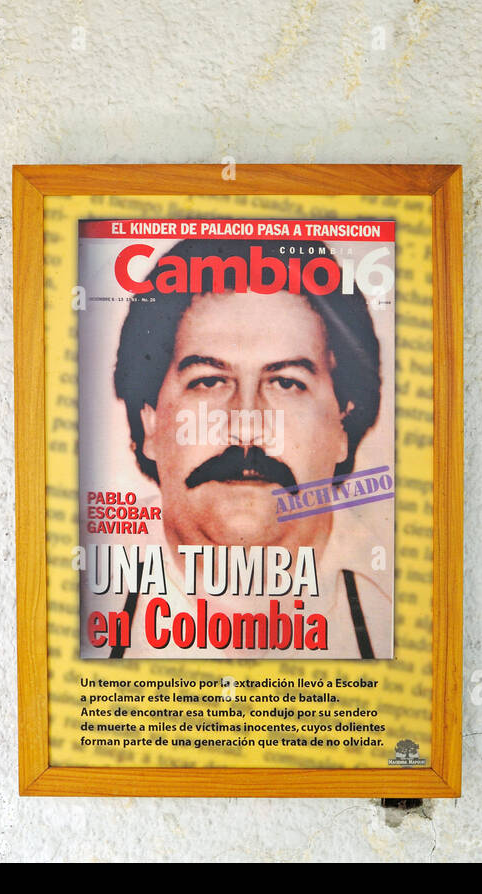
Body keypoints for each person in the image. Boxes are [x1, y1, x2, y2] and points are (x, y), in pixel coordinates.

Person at [84, 237, 393, 659]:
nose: (247, 426)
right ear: (150, 421)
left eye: (286, 383)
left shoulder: (405, 598)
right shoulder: (74, 594)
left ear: (343, 421)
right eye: (209, 381)